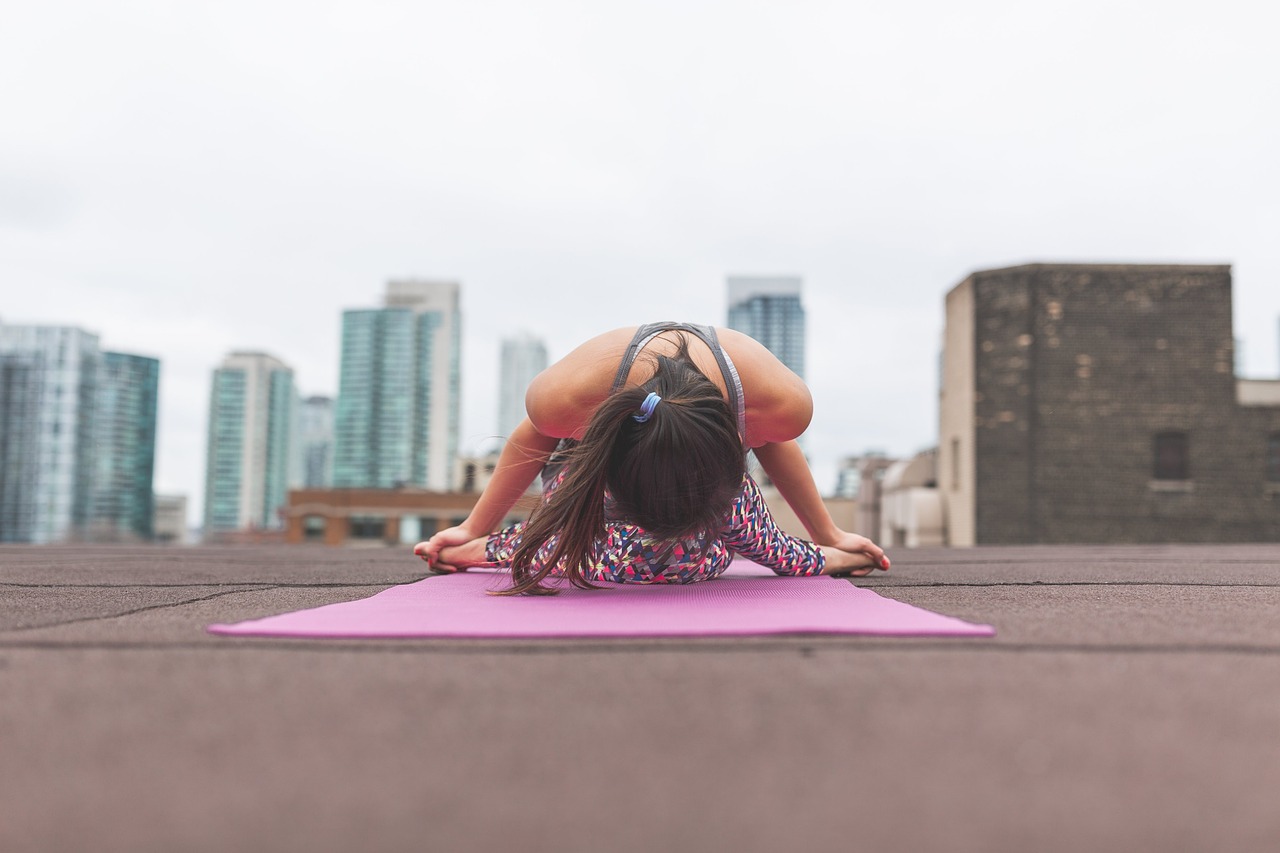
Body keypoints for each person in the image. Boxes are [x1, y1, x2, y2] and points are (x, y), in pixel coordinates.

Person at [413, 322, 889, 594]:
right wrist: (474, 528)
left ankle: (511, 547)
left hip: (704, 476)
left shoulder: (779, 404)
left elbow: (768, 491)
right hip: (588, 471)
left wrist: (829, 541)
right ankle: (506, 546)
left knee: (682, 557)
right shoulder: (563, 398)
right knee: (651, 556)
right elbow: (534, 437)